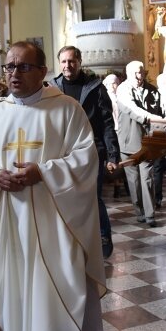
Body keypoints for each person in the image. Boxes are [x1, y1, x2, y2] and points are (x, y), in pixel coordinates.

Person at [0, 41, 106, 331]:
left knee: (56, 291)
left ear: (42, 72)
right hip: (13, 225)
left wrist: (43, 173)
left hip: (56, 225)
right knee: (23, 293)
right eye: (9, 66)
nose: (13, 73)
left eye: (23, 67)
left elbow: (85, 160)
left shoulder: (66, 109)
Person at [50, 46, 119, 258]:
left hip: (92, 150)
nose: (67, 65)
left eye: (71, 61)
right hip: (63, 153)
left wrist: (112, 155)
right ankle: (72, 240)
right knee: (66, 197)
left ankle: (103, 236)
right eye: (63, 62)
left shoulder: (96, 87)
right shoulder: (52, 88)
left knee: (92, 197)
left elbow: (107, 123)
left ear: (79, 62)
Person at [117, 60, 164, 227]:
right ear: (128, 74)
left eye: (141, 72)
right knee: (134, 181)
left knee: (147, 179)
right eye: (135, 73)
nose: (138, 76)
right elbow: (131, 109)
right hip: (128, 141)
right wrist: (149, 117)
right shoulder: (123, 89)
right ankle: (139, 211)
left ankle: (150, 215)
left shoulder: (153, 91)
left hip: (147, 142)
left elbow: (161, 112)